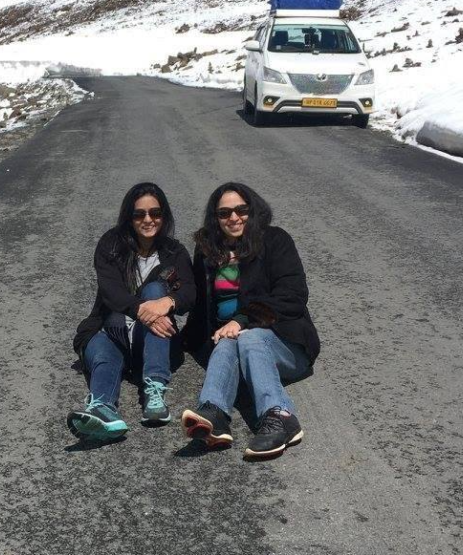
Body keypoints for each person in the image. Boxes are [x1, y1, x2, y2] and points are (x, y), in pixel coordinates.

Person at [180, 182, 321, 460]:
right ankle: (214, 413)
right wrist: (173, 343)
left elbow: (292, 296)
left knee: (249, 336)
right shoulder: (208, 251)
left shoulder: (275, 241)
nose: (233, 218)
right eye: (224, 213)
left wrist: (243, 319)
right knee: (225, 341)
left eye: (241, 210)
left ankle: (281, 417)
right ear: (215, 218)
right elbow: (199, 306)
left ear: (252, 210)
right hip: (235, 342)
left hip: (286, 346)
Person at [69, 183, 197, 441]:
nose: (148, 220)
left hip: (151, 343)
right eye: (139, 214)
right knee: (104, 356)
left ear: (164, 215)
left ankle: (154, 391)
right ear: (129, 217)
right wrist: (142, 311)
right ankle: (102, 410)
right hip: (110, 330)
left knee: (155, 291)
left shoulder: (174, 252)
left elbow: (190, 292)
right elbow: (111, 292)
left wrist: (167, 302)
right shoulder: (111, 245)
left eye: (155, 213)